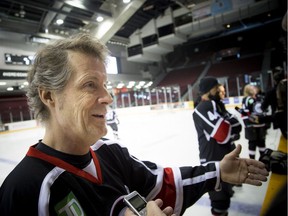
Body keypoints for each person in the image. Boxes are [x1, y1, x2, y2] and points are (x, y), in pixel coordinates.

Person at [0, 34, 269, 216]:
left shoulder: (110, 153)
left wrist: (218, 171)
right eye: (89, 85)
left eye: (105, 85)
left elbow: (162, 185)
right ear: (49, 96)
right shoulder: (25, 191)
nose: (108, 97)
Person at [192, 77, 243, 216]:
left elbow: (237, 127)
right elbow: (223, 135)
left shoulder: (218, 105)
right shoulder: (202, 108)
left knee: (224, 200)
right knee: (219, 203)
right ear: (208, 91)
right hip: (213, 163)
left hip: (225, 159)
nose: (220, 91)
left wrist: (230, 125)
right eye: (216, 88)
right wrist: (229, 125)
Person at [241, 84, 267, 159]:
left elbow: (263, 111)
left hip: (261, 126)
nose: (254, 88)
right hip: (252, 127)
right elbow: (244, 113)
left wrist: (266, 123)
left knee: (262, 143)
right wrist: (248, 124)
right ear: (248, 90)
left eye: (254, 87)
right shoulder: (247, 99)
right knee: (252, 143)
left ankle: (264, 160)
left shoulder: (259, 98)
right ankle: (253, 162)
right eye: (252, 87)